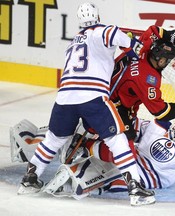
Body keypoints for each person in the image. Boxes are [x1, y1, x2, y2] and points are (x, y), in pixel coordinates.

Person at [17, 2, 155, 206]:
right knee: (117, 140)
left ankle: (28, 181)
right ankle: (135, 188)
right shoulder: (105, 30)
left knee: (54, 139)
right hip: (92, 97)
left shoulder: (72, 43)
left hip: (64, 98)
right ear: (98, 16)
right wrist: (135, 44)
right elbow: (129, 45)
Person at [10, 115, 175, 199]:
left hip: (149, 178)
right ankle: (31, 142)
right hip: (128, 158)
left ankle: (77, 182)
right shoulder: (157, 126)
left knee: (109, 175)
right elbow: (129, 126)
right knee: (83, 131)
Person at [105, 26, 175, 159]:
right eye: (167, 60)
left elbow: (154, 30)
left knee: (131, 132)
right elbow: (161, 113)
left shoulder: (143, 48)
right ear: (161, 60)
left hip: (104, 92)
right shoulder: (146, 79)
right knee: (126, 144)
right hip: (112, 106)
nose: (167, 63)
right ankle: (120, 170)